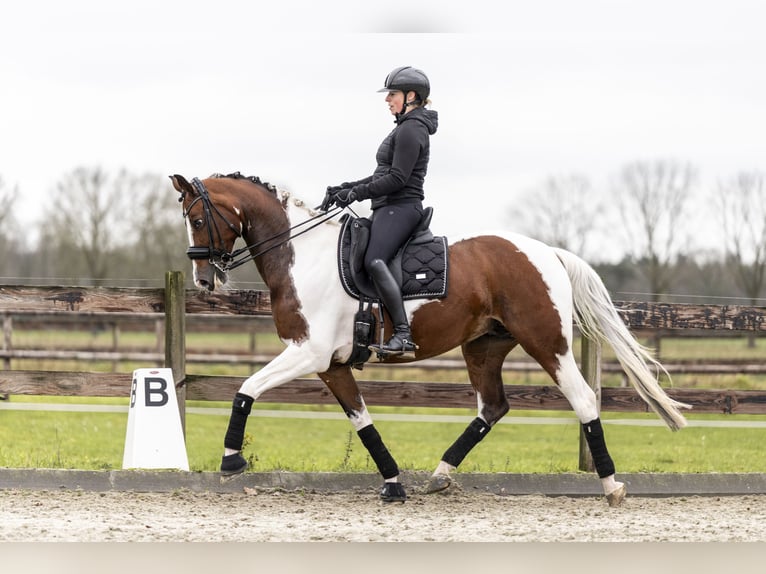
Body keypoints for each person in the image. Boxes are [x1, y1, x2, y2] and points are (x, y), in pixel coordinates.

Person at [324, 65, 439, 355]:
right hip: (388, 207)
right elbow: (381, 175)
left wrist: (357, 193)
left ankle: (403, 333)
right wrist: (345, 188)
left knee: (375, 260)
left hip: (401, 208)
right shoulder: (404, 128)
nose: (387, 100)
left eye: (393, 94)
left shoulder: (412, 129)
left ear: (411, 96)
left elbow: (397, 179)